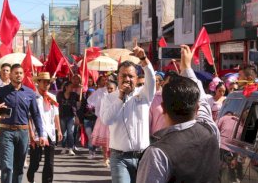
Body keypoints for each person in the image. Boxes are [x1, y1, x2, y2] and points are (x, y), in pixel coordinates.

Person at [137, 45, 220, 183]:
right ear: (197, 107)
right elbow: (204, 103)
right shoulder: (210, 131)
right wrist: (187, 67)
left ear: (163, 107)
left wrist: (186, 68)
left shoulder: (157, 153)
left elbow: (202, 102)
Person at [100, 43, 156, 183]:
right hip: (119, 158)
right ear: (117, 78)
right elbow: (107, 120)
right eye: (123, 76)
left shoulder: (144, 95)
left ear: (137, 79)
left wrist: (143, 58)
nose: (127, 79)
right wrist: (120, 98)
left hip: (143, 157)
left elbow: (152, 79)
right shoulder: (109, 98)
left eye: (131, 76)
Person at [0, 64, 45, 183]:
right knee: (7, 166)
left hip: (23, 133)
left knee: (19, 168)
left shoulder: (30, 93)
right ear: (11, 75)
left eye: (21, 73)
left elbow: (36, 115)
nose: (18, 75)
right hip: (6, 132)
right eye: (16, 73)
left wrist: (41, 134)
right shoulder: (2, 91)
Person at [27, 72, 63, 183]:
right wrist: (31, 133)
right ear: (38, 83)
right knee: (35, 161)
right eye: (44, 82)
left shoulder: (52, 97)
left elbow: (56, 114)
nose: (46, 84)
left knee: (50, 162)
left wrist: (59, 129)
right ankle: (31, 172)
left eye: (48, 82)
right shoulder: (32, 96)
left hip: (50, 132)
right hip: (37, 132)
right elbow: (29, 117)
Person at [92, 80, 117, 166]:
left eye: (111, 88)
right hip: (104, 121)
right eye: (108, 88)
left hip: (114, 122)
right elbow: (98, 109)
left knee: (113, 142)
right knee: (105, 142)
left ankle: (111, 158)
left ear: (116, 89)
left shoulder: (118, 97)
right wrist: (101, 117)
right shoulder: (104, 97)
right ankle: (105, 158)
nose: (109, 90)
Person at [57, 81, 79, 156]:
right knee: (64, 133)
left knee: (70, 132)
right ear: (66, 87)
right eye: (70, 86)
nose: (71, 88)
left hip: (71, 116)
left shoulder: (74, 95)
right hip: (62, 116)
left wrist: (81, 89)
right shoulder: (60, 94)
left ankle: (70, 148)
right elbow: (56, 104)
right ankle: (63, 147)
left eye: (72, 87)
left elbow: (80, 100)